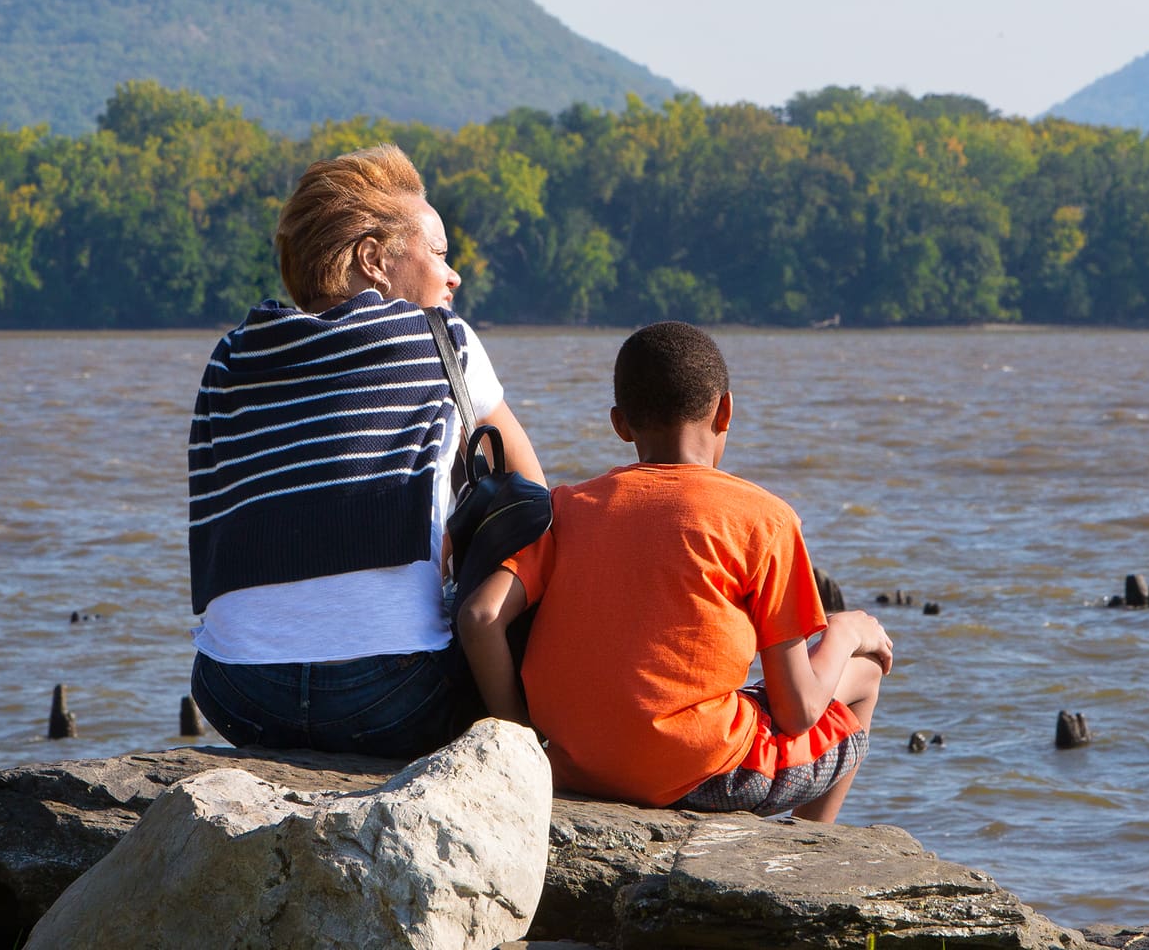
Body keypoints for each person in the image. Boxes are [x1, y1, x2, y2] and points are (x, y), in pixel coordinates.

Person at [187, 143, 543, 757]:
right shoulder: (442, 336)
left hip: (234, 693)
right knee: (514, 583)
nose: (453, 276)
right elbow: (533, 497)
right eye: (439, 254)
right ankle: (525, 750)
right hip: (392, 696)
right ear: (374, 259)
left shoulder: (231, 356)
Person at [458, 321, 890, 821]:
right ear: (725, 410)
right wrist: (845, 631)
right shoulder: (765, 519)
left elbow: (480, 618)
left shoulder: (567, 508)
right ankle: (811, 851)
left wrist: (525, 743)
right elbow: (798, 712)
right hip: (705, 774)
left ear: (620, 424)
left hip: (575, 767)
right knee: (865, 672)